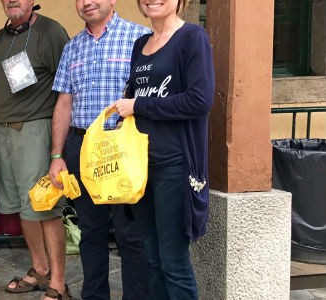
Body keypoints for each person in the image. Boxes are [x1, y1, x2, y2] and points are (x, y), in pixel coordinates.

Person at [110, 0, 214, 298]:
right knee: (152, 258)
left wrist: (139, 105)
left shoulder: (192, 38)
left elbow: (200, 100)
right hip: (140, 165)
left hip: (175, 165)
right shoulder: (140, 44)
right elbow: (135, 97)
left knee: (173, 261)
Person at [48, 1, 151, 299]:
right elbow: (64, 104)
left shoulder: (139, 38)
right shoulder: (72, 47)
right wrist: (57, 156)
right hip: (82, 149)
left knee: (130, 235)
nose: (86, 2)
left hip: (122, 149)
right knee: (90, 233)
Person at [0, 0, 70, 299]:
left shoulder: (50, 32)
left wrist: (56, 149)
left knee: (45, 206)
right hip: (7, 131)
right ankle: (40, 269)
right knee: (24, 208)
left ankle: (59, 284)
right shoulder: (1, 37)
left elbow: (66, 89)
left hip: (37, 129)